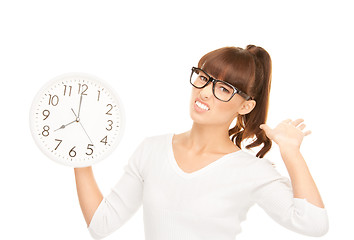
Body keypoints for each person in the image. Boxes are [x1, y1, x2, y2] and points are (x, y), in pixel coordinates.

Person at [74, 45, 329, 240]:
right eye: (203, 77)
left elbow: (314, 224)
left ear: (246, 105)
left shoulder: (251, 171)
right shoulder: (151, 150)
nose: (205, 92)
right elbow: (102, 224)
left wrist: (291, 153)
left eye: (224, 88)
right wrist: (78, 155)